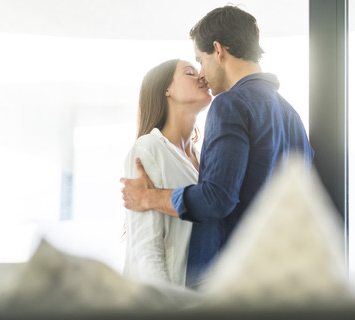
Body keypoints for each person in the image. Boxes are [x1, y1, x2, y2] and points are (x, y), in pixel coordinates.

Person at [121, 5, 314, 289]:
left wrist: (150, 197)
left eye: (200, 60)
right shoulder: (292, 116)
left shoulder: (230, 104)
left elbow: (217, 198)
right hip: (277, 279)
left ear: (218, 50)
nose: (202, 73)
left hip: (228, 284)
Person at [122, 59, 212, 287]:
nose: (201, 77)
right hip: (163, 299)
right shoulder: (148, 148)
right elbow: (146, 247)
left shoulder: (203, 158)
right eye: (190, 73)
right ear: (167, 90)